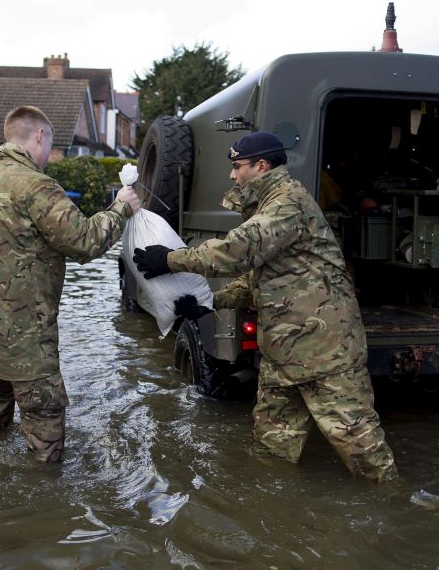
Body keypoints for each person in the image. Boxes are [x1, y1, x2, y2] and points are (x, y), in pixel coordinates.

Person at [133, 131, 397, 482]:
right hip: (283, 350)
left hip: (323, 349)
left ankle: (396, 506)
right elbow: (256, 278)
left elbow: (239, 249)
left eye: (237, 166)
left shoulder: (288, 203)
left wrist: (171, 259)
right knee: (271, 446)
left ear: (261, 166)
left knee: (360, 445)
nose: (231, 175)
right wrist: (207, 303)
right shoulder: (267, 204)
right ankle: (270, 514)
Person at [0, 105, 141, 462]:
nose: (48, 157)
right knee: (45, 415)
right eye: (50, 146)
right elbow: (85, 241)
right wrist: (121, 207)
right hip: (23, 330)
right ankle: (42, 502)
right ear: (39, 136)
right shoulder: (35, 185)